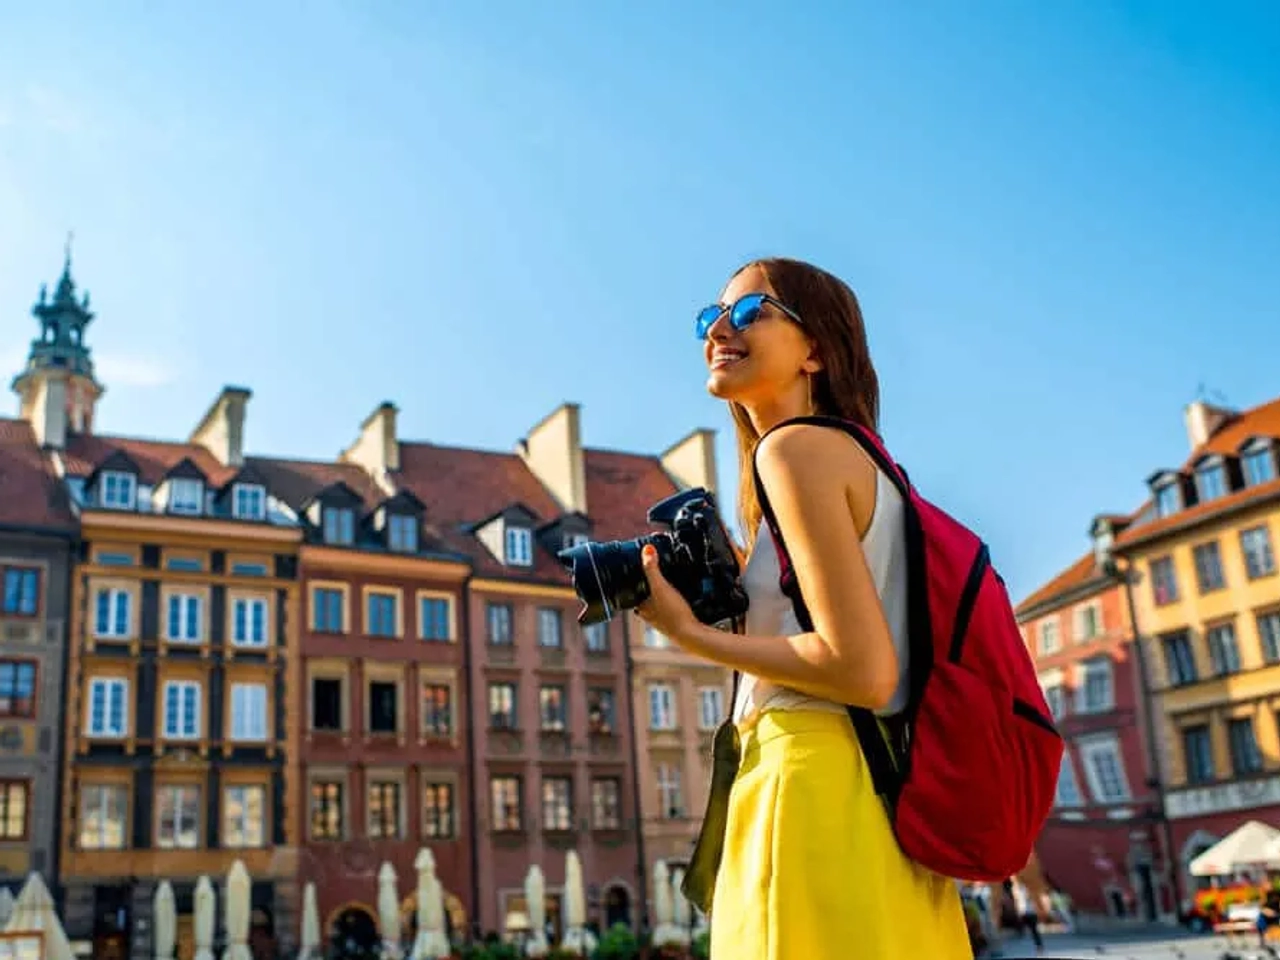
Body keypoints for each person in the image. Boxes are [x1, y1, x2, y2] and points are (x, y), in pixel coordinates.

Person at [635, 257, 971, 959]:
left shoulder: (793, 452)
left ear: (816, 348)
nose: (720, 329)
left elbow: (861, 668)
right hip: (875, 799)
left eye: (750, 312)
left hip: (807, 789)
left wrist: (687, 632)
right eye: (711, 317)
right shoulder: (862, 461)